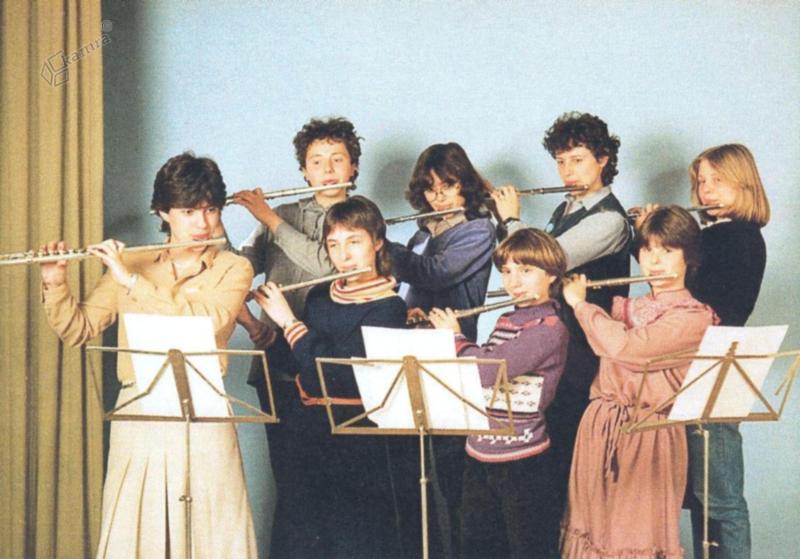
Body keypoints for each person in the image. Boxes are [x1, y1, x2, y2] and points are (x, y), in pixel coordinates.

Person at [39, 152, 257, 558]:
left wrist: (131, 282)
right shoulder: (132, 262)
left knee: (215, 526)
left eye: (211, 209)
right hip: (140, 407)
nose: (202, 223)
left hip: (205, 407)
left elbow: (210, 321)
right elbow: (78, 328)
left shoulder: (234, 267)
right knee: (138, 526)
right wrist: (56, 282)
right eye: (189, 211)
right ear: (163, 212)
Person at [229, 116, 362, 558]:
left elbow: (329, 265)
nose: (327, 169)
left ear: (353, 167)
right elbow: (236, 270)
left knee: (336, 492)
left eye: (337, 159)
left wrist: (268, 217)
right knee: (291, 488)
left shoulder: (361, 219)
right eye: (316, 161)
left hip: (334, 366)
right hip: (278, 364)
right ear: (303, 171)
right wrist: (213, 224)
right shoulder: (282, 215)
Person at [491, 112, 632, 517]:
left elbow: (546, 259)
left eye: (578, 160)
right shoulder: (564, 208)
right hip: (555, 348)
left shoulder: (610, 219)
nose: (568, 171)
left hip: (583, 355)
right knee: (548, 461)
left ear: (603, 160)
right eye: (561, 161)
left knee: (567, 457)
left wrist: (510, 219)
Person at [634, 144, 768, 559]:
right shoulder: (720, 235)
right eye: (701, 182)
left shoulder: (735, 236)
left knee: (721, 498)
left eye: (718, 181)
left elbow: (688, 297)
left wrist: (658, 236)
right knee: (703, 495)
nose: (706, 191)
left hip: (716, 360)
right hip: (705, 359)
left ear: (745, 185)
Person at [254, 195, 407, 559]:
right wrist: (260, 327)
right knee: (301, 538)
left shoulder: (390, 307)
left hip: (355, 439)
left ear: (377, 242)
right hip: (305, 431)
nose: (344, 256)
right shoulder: (321, 296)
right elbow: (300, 363)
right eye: (334, 245)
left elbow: (339, 375)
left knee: (351, 539)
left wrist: (289, 321)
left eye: (354, 242)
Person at [560, 206, 717, 559]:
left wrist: (581, 306)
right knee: (591, 531)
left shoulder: (694, 317)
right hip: (599, 426)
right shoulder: (625, 306)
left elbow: (627, 348)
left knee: (632, 538)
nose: (654, 261)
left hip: (648, 434)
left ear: (689, 256)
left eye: (667, 250)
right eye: (647, 249)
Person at [428, 228, 568, 559]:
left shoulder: (550, 328)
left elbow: (487, 371)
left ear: (552, 274)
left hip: (523, 460)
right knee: (477, 548)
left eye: (526, 270)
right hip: (479, 453)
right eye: (506, 272)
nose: (513, 282)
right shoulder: (507, 319)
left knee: (526, 550)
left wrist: (454, 337)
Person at [386, 142, 496, 556]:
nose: (438, 197)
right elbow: (407, 284)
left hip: (451, 356)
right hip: (412, 352)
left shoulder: (478, 229)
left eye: (447, 186)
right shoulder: (422, 231)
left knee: (453, 477)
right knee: (414, 474)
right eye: (430, 189)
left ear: (464, 185)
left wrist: (380, 243)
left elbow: (434, 273)